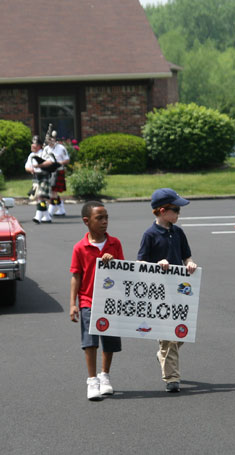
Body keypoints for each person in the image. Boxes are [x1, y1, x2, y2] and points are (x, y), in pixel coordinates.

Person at [137, 188, 198, 393]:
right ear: (163, 211)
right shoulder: (150, 234)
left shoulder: (178, 232)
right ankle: (172, 378)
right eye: (176, 210)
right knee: (169, 336)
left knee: (181, 332)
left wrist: (190, 264)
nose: (179, 214)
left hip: (180, 291)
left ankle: (164, 355)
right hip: (159, 294)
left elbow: (187, 256)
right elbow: (141, 263)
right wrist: (157, 263)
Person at [69, 200, 124, 401]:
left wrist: (114, 262)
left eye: (106, 217)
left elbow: (124, 272)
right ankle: (92, 380)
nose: (104, 222)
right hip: (88, 300)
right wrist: (73, 304)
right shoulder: (80, 248)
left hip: (110, 301)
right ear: (87, 221)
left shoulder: (114, 243)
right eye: (99, 218)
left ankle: (105, 376)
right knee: (90, 342)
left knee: (109, 341)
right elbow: (76, 275)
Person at [25, 135, 56, 223]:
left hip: (44, 177)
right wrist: (30, 169)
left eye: (34, 144)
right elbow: (26, 166)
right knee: (39, 198)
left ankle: (38, 216)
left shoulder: (44, 153)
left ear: (39, 146)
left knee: (41, 197)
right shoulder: (31, 155)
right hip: (36, 178)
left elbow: (50, 162)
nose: (32, 145)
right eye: (32, 143)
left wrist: (39, 165)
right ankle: (46, 216)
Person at [48, 131, 70, 217]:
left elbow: (67, 160)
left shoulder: (61, 148)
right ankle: (61, 209)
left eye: (51, 139)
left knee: (53, 191)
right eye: (48, 139)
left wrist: (58, 163)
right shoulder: (46, 149)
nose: (50, 141)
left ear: (54, 139)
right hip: (48, 171)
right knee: (52, 191)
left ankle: (51, 209)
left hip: (58, 171)